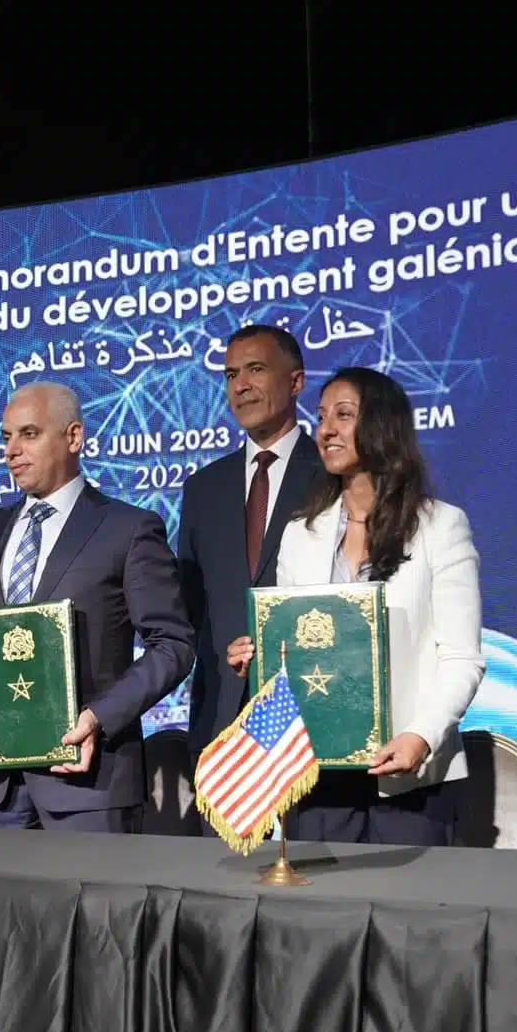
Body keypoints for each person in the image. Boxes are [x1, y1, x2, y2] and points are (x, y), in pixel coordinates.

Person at [225, 367, 483, 844]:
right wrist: (259, 655)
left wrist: (421, 737)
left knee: (406, 895)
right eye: (322, 417)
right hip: (317, 775)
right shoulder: (300, 534)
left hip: (407, 776)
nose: (325, 430)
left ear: (383, 425)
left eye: (343, 416)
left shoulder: (441, 527)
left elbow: (461, 658)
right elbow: (295, 649)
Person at [0, 382, 195, 831]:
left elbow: (172, 644)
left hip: (91, 780)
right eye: (6, 437)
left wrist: (100, 717)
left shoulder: (128, 529)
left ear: (74, 437)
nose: (12, 450)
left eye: (29, 434)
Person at [177, 323, 325, 763]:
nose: (240, 385)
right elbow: (191, 609)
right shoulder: (203, 488)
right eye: (230, 374)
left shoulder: (333, 475)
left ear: (295, 382)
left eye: (256, 369)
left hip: (312, 709)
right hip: (222, 720)